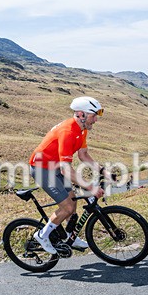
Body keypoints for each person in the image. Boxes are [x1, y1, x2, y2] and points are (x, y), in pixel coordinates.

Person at [28, 96, 106, 254]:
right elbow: (66, 170)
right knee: (67, 206)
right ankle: (42, 235)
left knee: (73, 200)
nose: (96, 120)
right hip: (42, 168)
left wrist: (103, 171)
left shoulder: (81, 129)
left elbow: (83, 155)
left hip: (55, 167)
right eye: (93, 116)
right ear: (81, 115)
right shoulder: (68, 131)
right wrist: (90, 187)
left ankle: (70, 236)